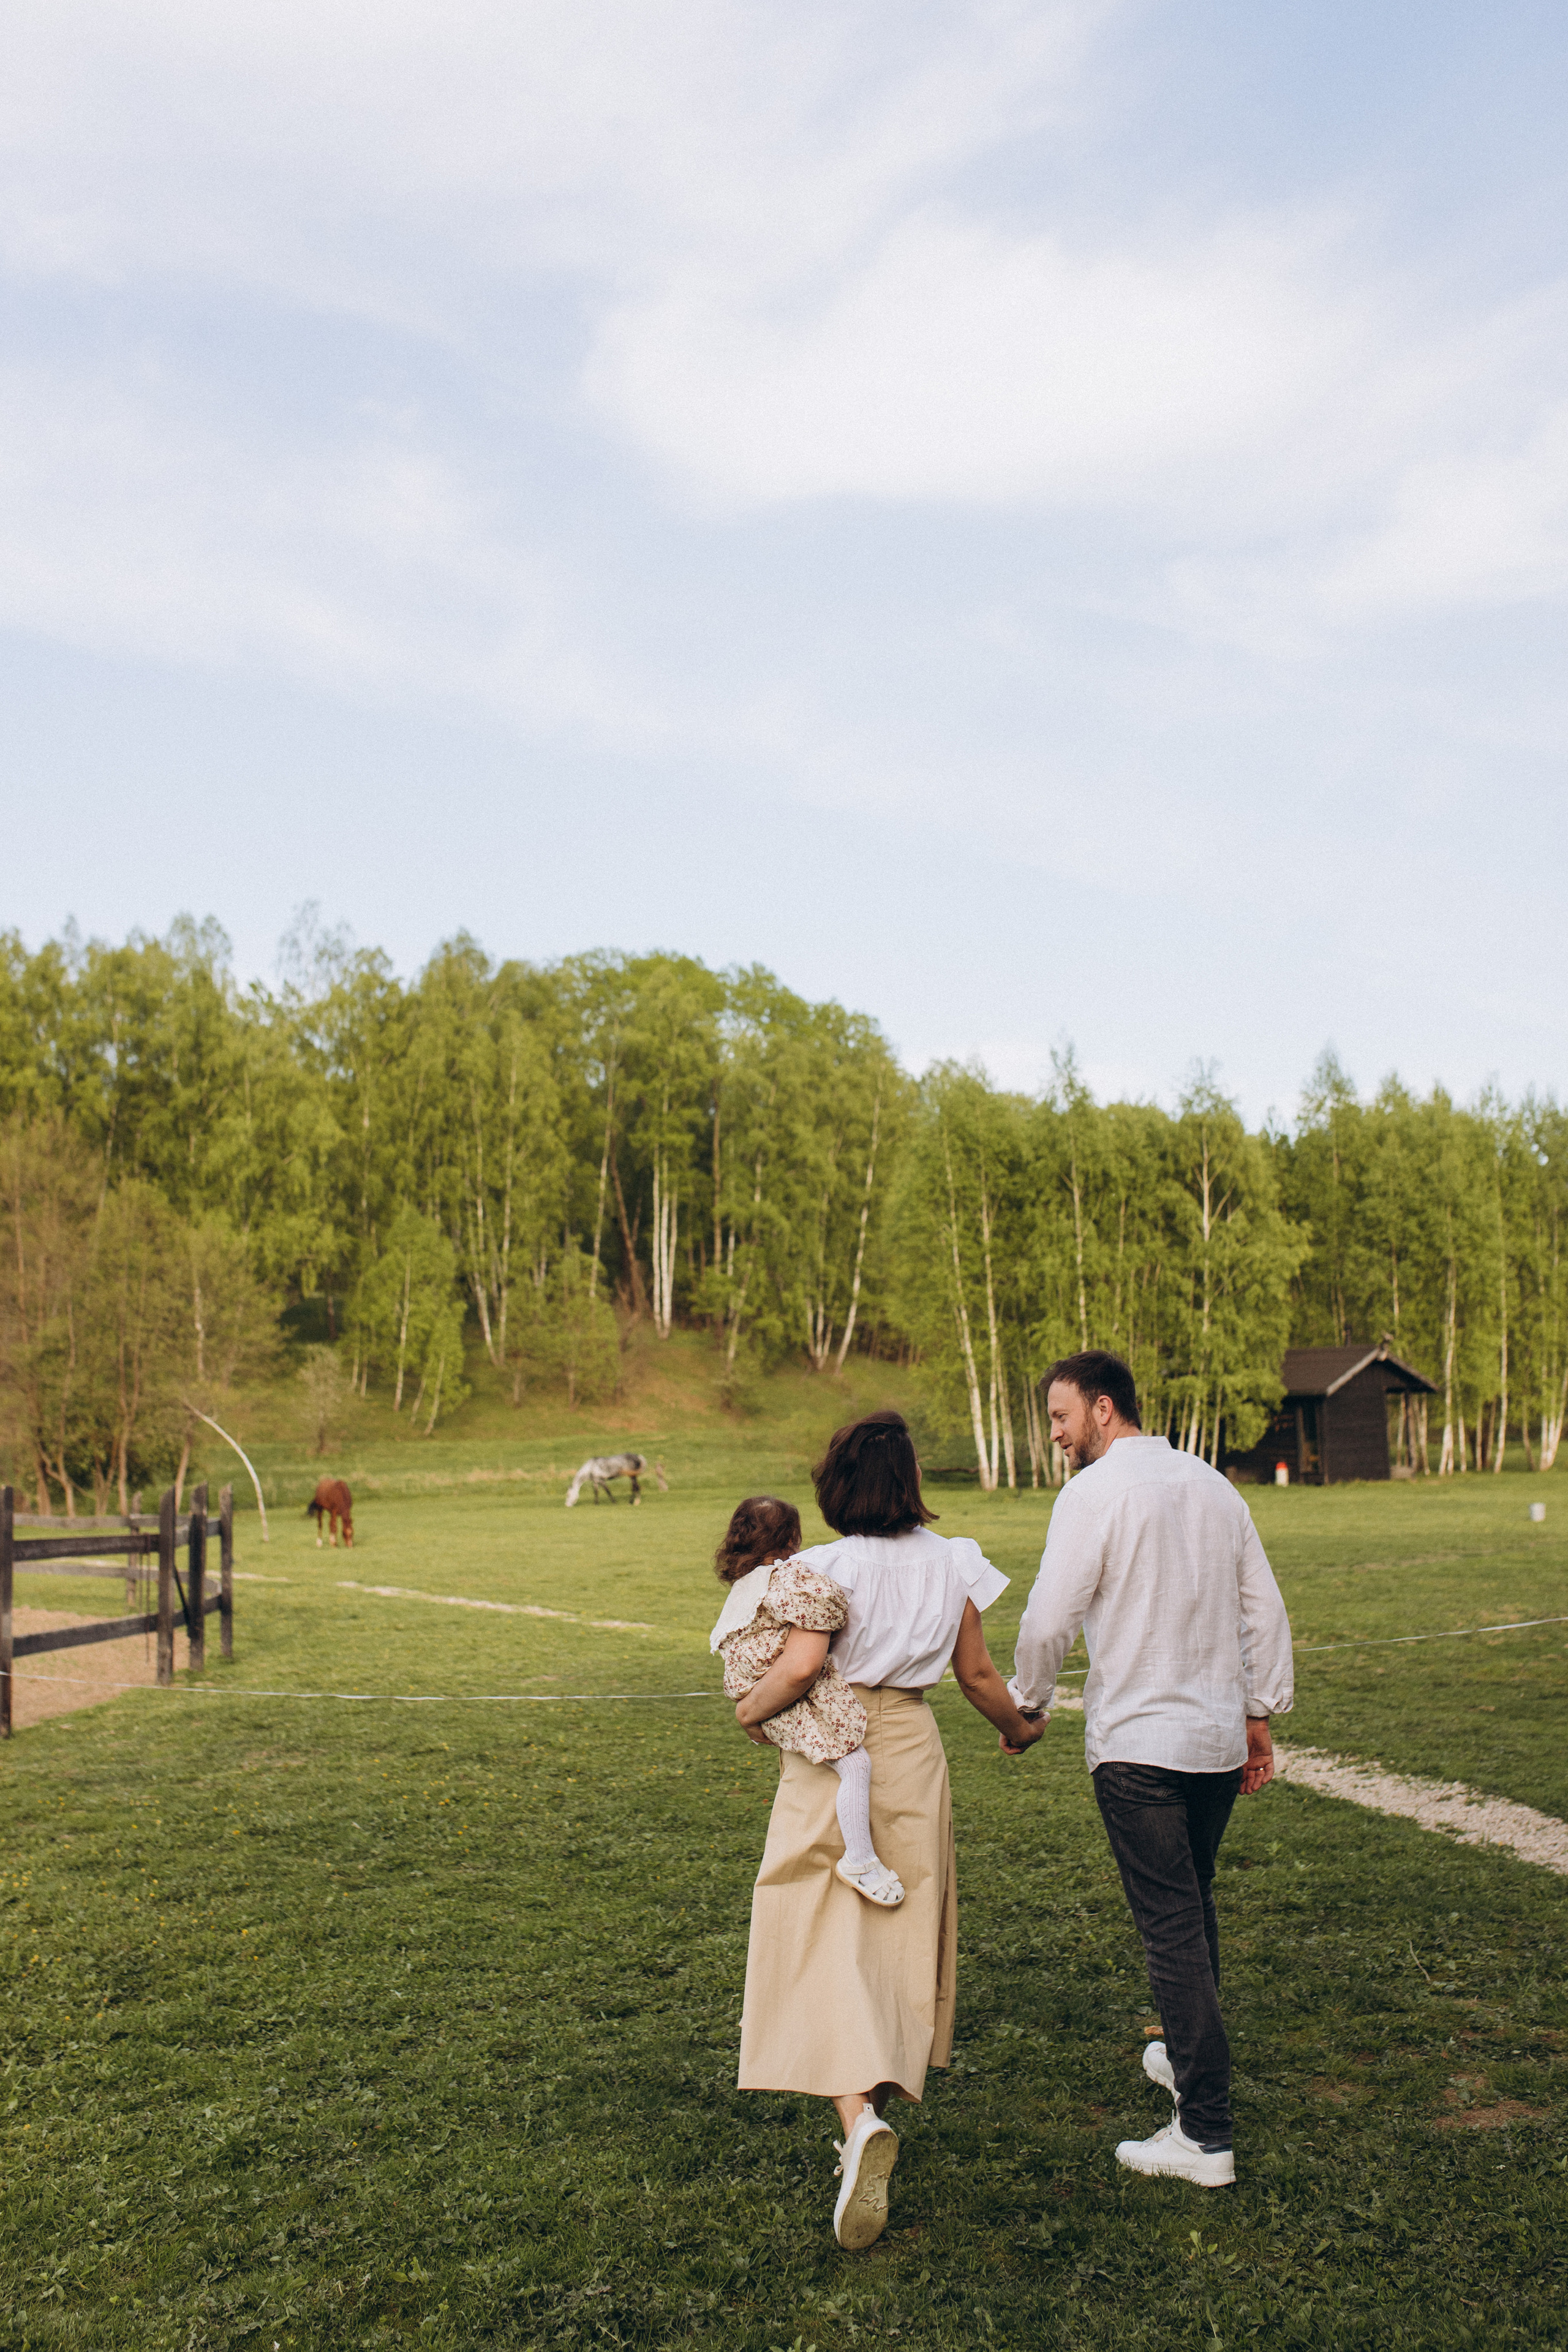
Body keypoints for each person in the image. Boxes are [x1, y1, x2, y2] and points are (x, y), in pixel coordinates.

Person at [734, 1410, 1045, 2249]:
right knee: (897, 1919)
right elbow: (977, 1673)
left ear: (836, 1485)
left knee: (815, 1921)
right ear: (911, 1482)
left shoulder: (819, 1566)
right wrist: (1017, 1730)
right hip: (910, 1742)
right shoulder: (954, 1562)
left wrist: (750, 1711)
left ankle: (856, 2117)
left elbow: (800, 1664)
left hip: (833, 1744)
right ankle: (873, 2094)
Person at [1006, 1351, 1294, 2189]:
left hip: (1139, 1746)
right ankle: (1183, 2055)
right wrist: (1258, 1714)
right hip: (1211, 1743)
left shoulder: (1093, 1493)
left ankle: (1205, 2135)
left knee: (1170, 1925)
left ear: (1102, 1410)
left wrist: (1028, 1701)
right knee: (1192, 1902)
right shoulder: (1213, 1485)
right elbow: (1262, 1606)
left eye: (1061, 1417)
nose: (1055, 1435)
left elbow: (1051, 1610)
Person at [710, 1494, 904, 1906]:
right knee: (855, 1763)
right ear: (792, 1538)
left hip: (754, 1689)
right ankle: (861, 1858)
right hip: (783, 1691)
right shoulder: (790, 1578)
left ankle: (858, 1856)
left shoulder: (745, 1585)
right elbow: (812, 1634)